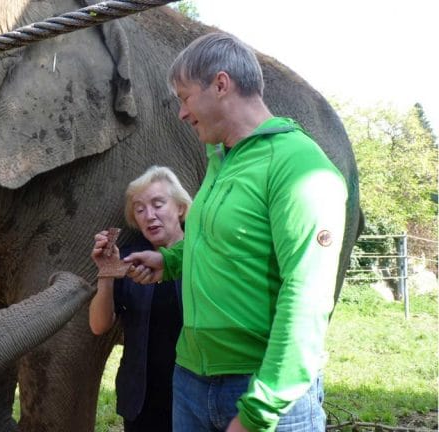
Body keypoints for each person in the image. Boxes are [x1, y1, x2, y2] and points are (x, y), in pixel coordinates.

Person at [123, 32, 348, 432]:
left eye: (185, 97)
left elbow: (306, 297)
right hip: (191, 381)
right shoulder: (220, 160)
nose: (181, 112)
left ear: (221, 85)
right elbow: (220, 240)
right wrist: (170, 261)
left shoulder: (300, 168)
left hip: (261, 391)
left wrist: (260, 410)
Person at [89, 165, 193, 432]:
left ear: (180, 208)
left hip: (196, 392)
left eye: (158, 204)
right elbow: (99, 325)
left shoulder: (201, 253)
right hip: (142, 399)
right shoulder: (129, 258)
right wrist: (107, 274)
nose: (150, 216)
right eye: (140, 209)